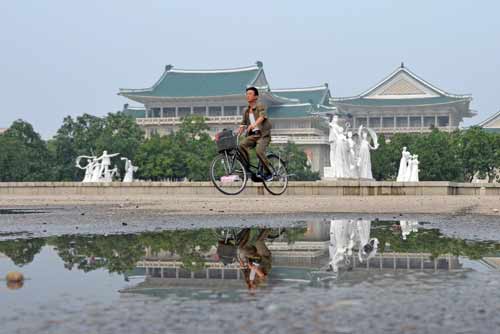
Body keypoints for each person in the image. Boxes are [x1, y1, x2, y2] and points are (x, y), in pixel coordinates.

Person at [238, 87, 273, 181]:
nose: (247, 96)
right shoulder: (246, 110)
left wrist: (253, 125)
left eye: (250, 94)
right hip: (254, 135)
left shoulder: (260, 106)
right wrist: (239, 131)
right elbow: (243, 123)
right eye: (247, 94)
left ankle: (269, 172)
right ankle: (247, 167)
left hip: (263, 135)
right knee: (241, 145)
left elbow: (262, 117)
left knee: (259, 151)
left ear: (256, 96)